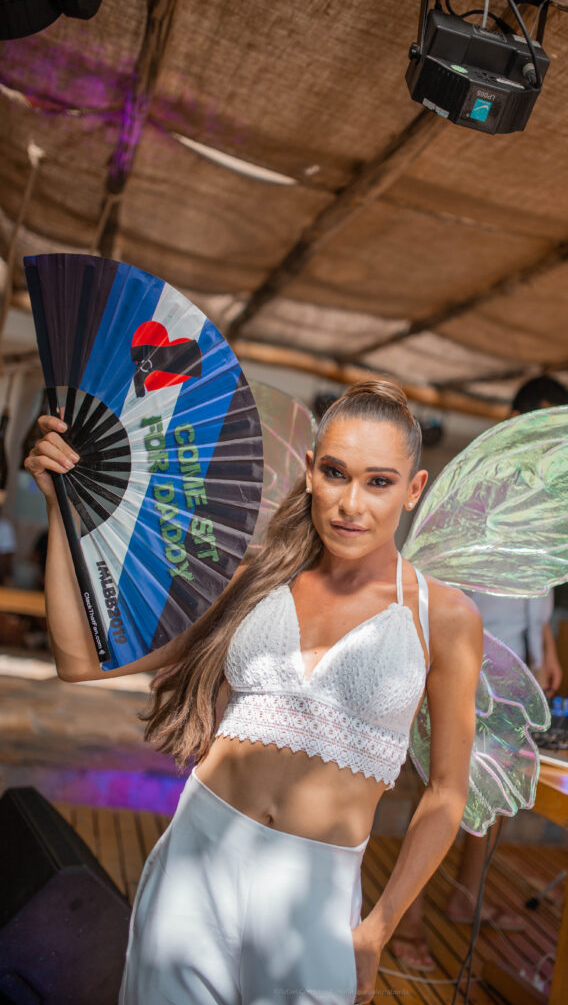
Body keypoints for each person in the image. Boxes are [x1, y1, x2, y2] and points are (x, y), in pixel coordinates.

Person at [24, 379, 483, 1005]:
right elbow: (79, 659)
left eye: (378, 481)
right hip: (197, 861)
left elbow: (447, 790)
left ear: (413, 489)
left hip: (315, 899)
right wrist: (61, 509)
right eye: (335, 473)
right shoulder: (256, 580)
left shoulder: (445, 617)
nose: (351, 503)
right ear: (310, 472)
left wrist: (379, 928)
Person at [387, 374, 568, 971]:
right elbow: (431, 577)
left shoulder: (553, 502)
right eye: (536, 421)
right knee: (435, 792)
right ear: (513, 418)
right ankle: (405, 924)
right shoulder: (474, 486)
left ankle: (466, 901)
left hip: (515, 669)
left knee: (491, 793)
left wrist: (547, 647)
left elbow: (538, 590)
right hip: (459, 658)